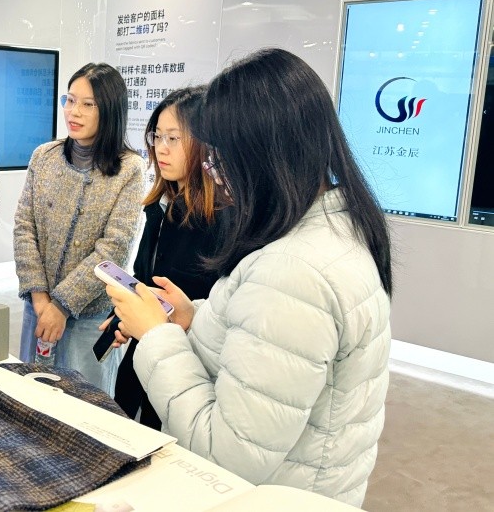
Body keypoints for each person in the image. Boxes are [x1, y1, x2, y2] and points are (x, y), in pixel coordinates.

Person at [106, 48, 392, 507]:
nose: (215, 176)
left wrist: (157, 337)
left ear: (260, 156)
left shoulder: (294, 272)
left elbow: (229, 454)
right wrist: (194, 318)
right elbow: (266, 348)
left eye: (218, 159)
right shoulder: (334, 230)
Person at [13, 62, 144, 393]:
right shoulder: (44, 157)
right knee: (32, 396)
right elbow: (24, 227)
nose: (74, 111)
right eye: (70, 100)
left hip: (89, 317)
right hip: (38, 308)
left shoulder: (129, 169)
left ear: (109, 110)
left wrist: (61, 305)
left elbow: (113, 249)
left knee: (86, 404)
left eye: (88, 104)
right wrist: (40, 298)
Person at [112, 86, 222, 430]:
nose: (161, 147)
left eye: (173, 138)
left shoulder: (221, 220)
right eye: (157, 136)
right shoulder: (159, 207)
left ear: (205, 142)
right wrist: (127, 312)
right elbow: (146, 277)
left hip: (188, 368)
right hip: (144, 351)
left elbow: (220, 307)